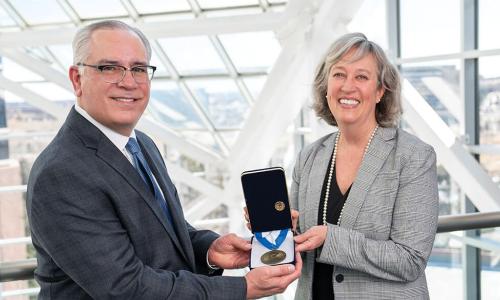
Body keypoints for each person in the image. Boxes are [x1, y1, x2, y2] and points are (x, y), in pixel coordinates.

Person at [26, 20, 301, 299]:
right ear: (77, 79)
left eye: (139, 69)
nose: (129, 82)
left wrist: (210, 251)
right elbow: (126, 288)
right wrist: (243, 288)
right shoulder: (62, 172)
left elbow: (163, 233)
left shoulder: (141, 145)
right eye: (109, 68)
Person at [290, 33, 439, 299]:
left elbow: (410, 259)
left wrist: (330, 239)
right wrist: (276, 229)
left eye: (361, 77)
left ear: (381, 91)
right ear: (326, 87)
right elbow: (297, 247)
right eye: (338, 75)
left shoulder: (413, 157)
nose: (348, 86)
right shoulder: (309, 157)